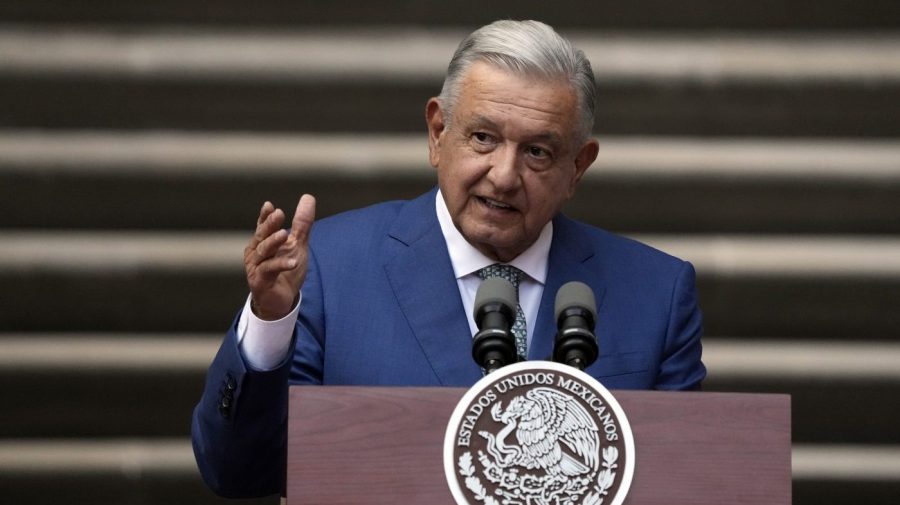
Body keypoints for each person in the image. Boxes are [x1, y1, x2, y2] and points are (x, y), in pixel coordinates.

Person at [192, 19, 705, 498]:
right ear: (438, 133)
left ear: (578, 166)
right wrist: (269, 323)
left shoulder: (657, 294)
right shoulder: (332, 266)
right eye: (483, 138)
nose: (504, 175)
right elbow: (238, 471)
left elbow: (688, 483)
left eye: (538, 153)